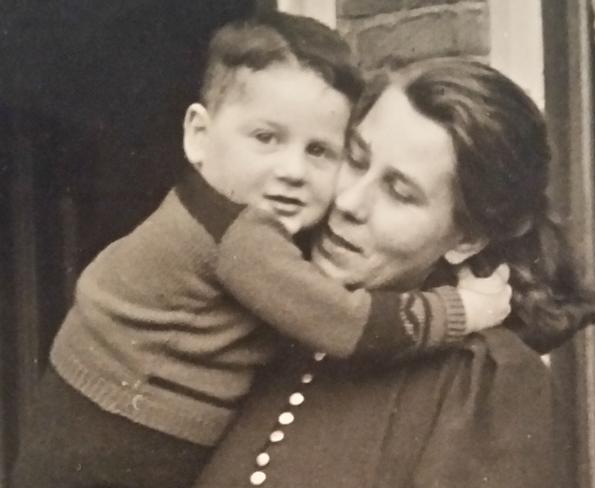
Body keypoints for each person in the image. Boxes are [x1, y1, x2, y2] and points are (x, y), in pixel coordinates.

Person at [10, 13, 511, 488]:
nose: (293, 170)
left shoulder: (236, 221)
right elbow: (349, 322)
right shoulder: (240, 237)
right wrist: (459, 309)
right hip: (118, 431)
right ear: (198, 136)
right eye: (266, 138)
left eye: (319, 151)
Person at [192, 59, 595, 488]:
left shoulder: (486, 382)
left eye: (399, 192)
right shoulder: (255, 313)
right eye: (354, 158)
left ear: (468, 239)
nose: (350, 200)